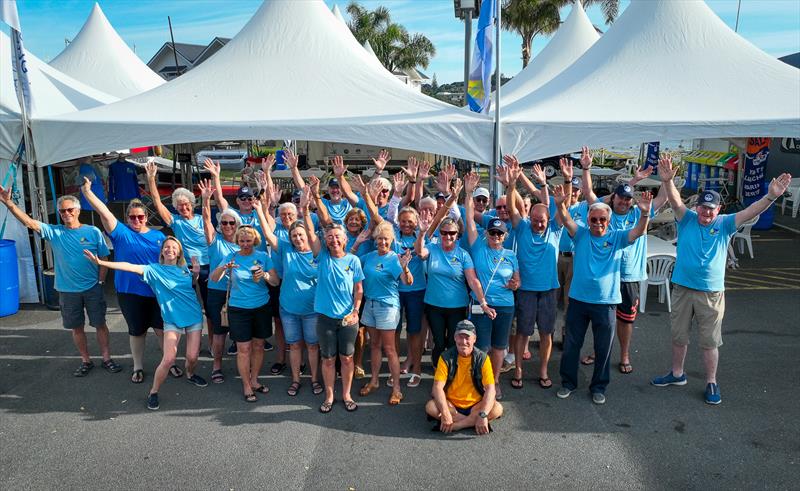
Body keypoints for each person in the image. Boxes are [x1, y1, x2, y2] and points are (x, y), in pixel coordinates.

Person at [650, 157, 791, 405]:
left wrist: (771, 197)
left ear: (719, 209)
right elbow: (675, 200)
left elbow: (750, 211)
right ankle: (676, 374)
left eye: (710, 209)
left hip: (711, 293)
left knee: (710, 341)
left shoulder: (725, 223)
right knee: (678, 335)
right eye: (703, 208)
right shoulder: (687, 218)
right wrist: (668, 180)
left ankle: (711, 381)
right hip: (682, 287)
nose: (705, 212)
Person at [0, 186, 121, 377]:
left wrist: (100, 282)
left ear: (78, 211)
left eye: (70, 210)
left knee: (100, 324)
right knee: (76, 327)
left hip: (92, 288)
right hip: (67, 290)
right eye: (62, 211)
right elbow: (29, 223)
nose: (66, 214)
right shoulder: (55, 232)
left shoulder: (93, 232)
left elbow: (105, 258)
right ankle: (85, 360)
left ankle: (107, 358)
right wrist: (8, 203)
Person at [553, 183, 652, 405]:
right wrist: (560, 204)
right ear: (588, 220)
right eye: (594, 219)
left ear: (608, 221)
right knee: (571, 344)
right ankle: (568, 382)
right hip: (578, 300)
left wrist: (645, 213)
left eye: (602, 220)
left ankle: (599, 387)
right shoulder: (580, 234)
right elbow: (567, 219)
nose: (598, 223)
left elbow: (638, 231)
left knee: (602, 348)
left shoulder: (617, 237)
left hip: (606, 303)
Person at [84, 237, 208, 410]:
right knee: (169, 359)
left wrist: (195, 273)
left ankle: (190, 373)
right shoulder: (153, 270)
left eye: (174, 247)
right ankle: (154, 392)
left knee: (192, 357)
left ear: (179, 252)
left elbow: (190, 286)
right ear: (162, 251)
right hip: (172, 320)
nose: (170, 249)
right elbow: (128, 266)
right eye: (166, 247)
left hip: (193, 316)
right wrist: (100, 262)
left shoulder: (184, 270)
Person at [579, 147, 669, 373]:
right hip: (607, 276)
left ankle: (625, 355)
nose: (625, 202)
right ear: (614, 197)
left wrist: (666, 180)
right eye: (621, 197)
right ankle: (598, 352)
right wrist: (587, 168)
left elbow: (663, 198)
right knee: (600, 320)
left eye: (629, 198)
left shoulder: (640, 214)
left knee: (626, 319)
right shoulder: (603, 214)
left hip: (629, 276)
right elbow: (588, 192)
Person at [80, 177, 177, 384]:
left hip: (157, 292)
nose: (137, 220)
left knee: (162, 330)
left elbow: (170, 260)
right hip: (130, 292)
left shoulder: (159, 237)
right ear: (126, 218)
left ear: (146, 216)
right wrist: (88, 193)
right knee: (137, 331)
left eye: (140, 216)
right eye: (132, 217)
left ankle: (169, 362)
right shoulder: (121, 233)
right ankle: (138, 366)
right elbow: (104, 212)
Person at [503, 156, 568, 390]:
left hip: (549, 291)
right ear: (529, 219)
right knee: (522, 333)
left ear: (548, 220)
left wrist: (567, 185)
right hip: (527, 290)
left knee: (546, 333)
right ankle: (518, 369)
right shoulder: (521, 228)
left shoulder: (555, 230)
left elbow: (562, 205)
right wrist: (510, 185)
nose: (539, 224)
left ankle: (543, 370)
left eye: (542, 220)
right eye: (535, 220)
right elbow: (511, 208)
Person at [415, 178, 492, 367]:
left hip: (457, 305)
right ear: (440, 234)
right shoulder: (432, 249)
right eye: (444, 233)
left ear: (458, 235)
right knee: (439, 342)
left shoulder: (464, 254)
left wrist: (483, 302)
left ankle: (452, 374)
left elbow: (473, 280)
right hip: (434, 304)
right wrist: (422, 233)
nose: (448, 236)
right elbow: (419, 252)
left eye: (452, 233)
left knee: (452, 342)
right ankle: (438, 373)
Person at [261, 181, 324, 397]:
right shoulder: (286, 248)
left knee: (313, 346)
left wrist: (305, 208)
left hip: (312, 310)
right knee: (295, 346)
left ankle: (315, 379)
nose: (297, 238)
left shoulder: (317, 251)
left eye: (301, 235)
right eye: (294, 236)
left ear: (308, 235)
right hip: (288, 308)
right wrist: (261, 208)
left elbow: (311, 230)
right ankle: (296, 380)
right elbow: (269, 235)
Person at [463, 171, 520, 400]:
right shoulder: (478, 246)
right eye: (492, 232)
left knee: (499, 346)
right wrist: (468, 193)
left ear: (505, 235)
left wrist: (516, 284)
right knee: (482, 347)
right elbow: (469, 219)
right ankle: (481, 380)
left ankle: (494, 381)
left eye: (500, 233)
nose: (495, 235)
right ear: (486, 233)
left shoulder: (510, 255)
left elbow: (518, 280)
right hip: (481, 304)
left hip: (505, 305)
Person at [145, 161, 211, 351]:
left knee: (210, 309)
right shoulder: (175, 221)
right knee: (188, 305)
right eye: (179, 205)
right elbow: (157, 204)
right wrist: (151, 180)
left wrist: (207, 198)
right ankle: (188, 342)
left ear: (192, 204)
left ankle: (213, 344)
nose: (183, 208)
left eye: (186, 204)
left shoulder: (201, 219)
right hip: (184, 268)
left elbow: (209, 222)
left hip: (206, 266)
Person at [210, 225, 279, 402]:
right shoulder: (231, 257)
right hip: (238, 309)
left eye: (248, 241)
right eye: (242, 241)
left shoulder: (263, 257)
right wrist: (224, 267)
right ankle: (246, 385)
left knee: (258, 346)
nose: (245, 244)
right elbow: (214, 278)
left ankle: (254, 380)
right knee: (244, 349)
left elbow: (275, 281)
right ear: (237, 241)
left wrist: (264, 275)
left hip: (261, 307)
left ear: (255, 240)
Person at [311, 221, 365, 414]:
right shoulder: (323, 257)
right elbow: (310, 233)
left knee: (348, 358)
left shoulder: (353, 261)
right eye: (330, 236)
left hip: (348, 320)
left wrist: (356, 311)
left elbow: (358, 290)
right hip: (325, 318)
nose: (334, 240)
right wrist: (307, 209)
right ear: (325, 240)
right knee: (327, 360)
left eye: (337, 236)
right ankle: (329, 396)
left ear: (345, 239)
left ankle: (347, 395)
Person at [357, 221, 414, 405]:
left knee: (389, 349)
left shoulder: (394, 259)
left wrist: (405, 266)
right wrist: (357, 243)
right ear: (375, 240)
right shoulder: (369, 256)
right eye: (380, 239)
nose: (383, 242)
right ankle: (374, 381)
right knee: (374, 345)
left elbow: (408, 282)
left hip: (388, 307)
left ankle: (397, 388)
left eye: (386, 239)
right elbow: (348, 260)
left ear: (391, 240)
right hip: (370, 305)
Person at [425, 320, 503, 435]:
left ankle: (456, 425)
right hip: (452, 404)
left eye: (467, 338)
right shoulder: (445, 357)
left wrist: (482, 414)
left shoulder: (483, 358)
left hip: (475, 405)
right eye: (460, 337)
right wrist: (446, 412)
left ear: (474, 339)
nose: (464, 342)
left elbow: (491, 389)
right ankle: (473, 421)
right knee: (430, 407)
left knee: (497, 409)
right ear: (455, 338)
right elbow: (437, 388)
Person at [198, 179, 241, 383]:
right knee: (219, 332)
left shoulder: (245, 244)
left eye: (232, 223)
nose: (228, 226)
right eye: (224, 223)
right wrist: (206, 201)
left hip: (240, 293)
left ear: (237, 225)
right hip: (217, 292)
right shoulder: (215, 242)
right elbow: (206, 221)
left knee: (242, 333)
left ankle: (245, 366)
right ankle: (216, 366)